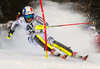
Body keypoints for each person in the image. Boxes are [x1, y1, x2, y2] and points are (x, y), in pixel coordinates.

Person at [7, 6, 88, 60]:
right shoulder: (20, 20)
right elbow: (14, 24)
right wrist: (10, 32)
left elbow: (46, 24)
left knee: (53, 41)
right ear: (24, 16)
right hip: (32, 38)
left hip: (41, 33)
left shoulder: (37, 18)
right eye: (27, 17)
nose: (29, 18)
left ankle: (71, 52)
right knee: (35, 36)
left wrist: (44, 26)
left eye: (31, 16)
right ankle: (51, 50)